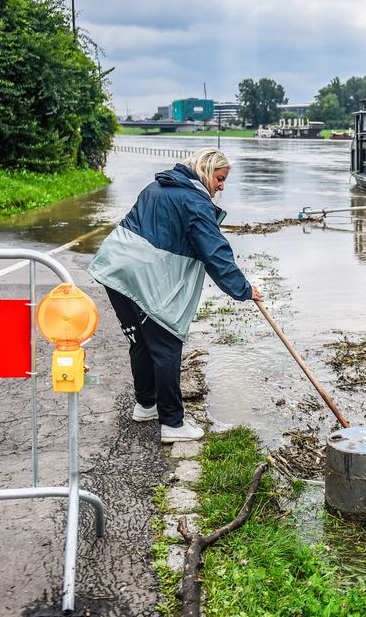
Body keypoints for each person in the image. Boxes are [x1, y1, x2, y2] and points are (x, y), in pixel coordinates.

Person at [88, 148, 261, 442]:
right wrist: (243, 289)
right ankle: (173, 424)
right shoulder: (195, 201)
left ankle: (146, 405)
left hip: (116, 270)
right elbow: (215, 252)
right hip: (147, 278)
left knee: (141, 342)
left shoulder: (156, 187)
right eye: (220, 179)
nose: (222, 186)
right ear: (205, 171)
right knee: (167, 343)